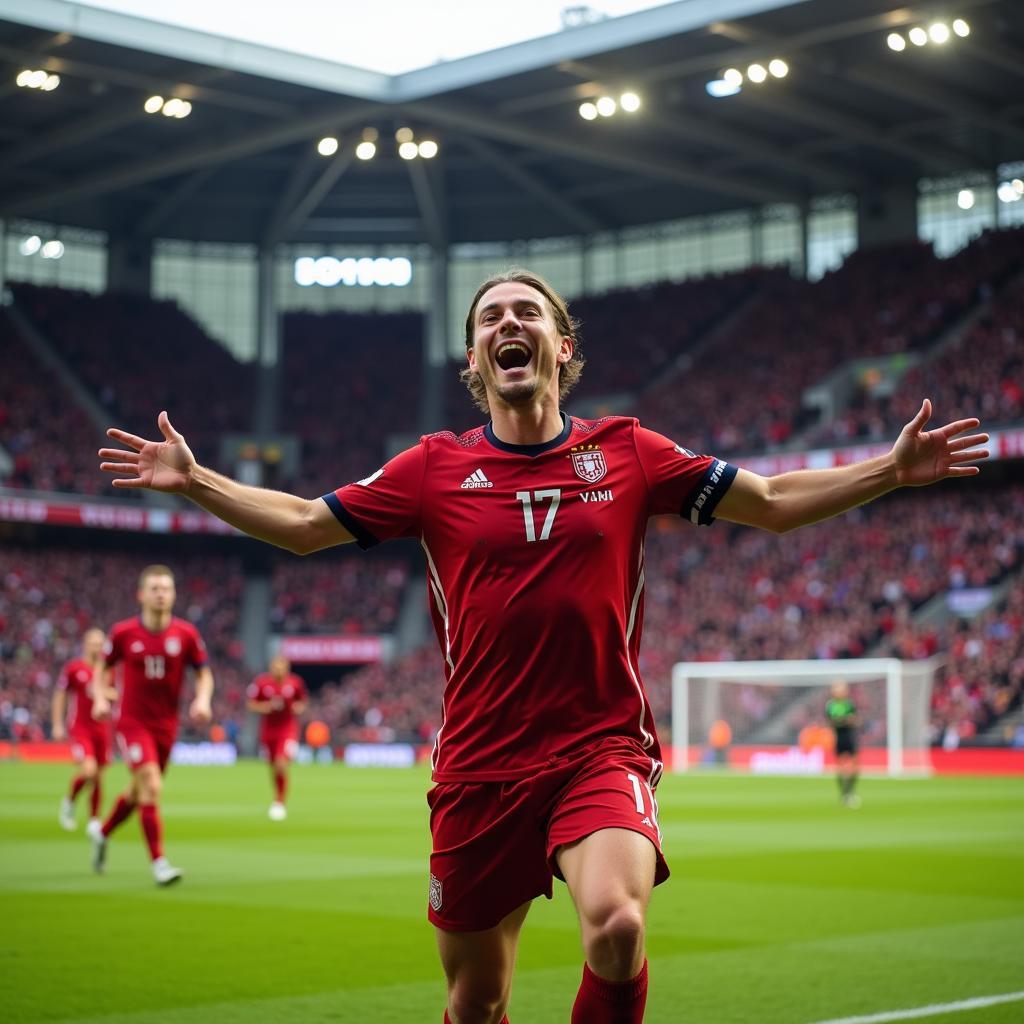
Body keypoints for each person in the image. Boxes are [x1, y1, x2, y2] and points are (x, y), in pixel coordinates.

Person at [97, 268, 988, 1023]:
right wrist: (196, 480)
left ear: (563, 347)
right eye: (491, 317)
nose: (509, 323)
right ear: (476, 360)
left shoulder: (629, 453)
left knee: (618, 926)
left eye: (528, 312)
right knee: (479, 1000)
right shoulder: (432, 468)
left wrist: (890, 470)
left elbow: (773, 500)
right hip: (479, 766)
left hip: (598, 748)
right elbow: (299, 524)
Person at [87, 565, 214, 886]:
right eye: (155, 589)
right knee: (152, 785)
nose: (161, 594)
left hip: (166, 726)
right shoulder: (123, 632)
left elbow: (204, 673)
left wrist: (202, 700)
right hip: (131, 722)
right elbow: (103, 666)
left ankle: (102, 833)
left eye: (166, 589)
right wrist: (101, 698)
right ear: (141, 594)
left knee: (137, 792)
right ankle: (159, 862)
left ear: (173, 595)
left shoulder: (186, 634)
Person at [52, 628, 115, 832]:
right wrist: (57, 724)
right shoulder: (74, 668)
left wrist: (103, 692)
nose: (97, 647)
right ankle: (69, 802)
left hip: (103, 728)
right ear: (85, 645)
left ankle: (94, 820)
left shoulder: (109, 670)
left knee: (99, 776)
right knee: (89, 770)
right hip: (80, 728)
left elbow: (119, 693)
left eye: (100, 643)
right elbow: (60, 695)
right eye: (93, 643)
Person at [247, 653, 308, 820]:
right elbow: (251, 704)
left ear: (286, 668)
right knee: (273, 766)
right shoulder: (262, 683)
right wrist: (267, 707)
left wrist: (297, 708)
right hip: (268, 730)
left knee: (281, 763)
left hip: (287, 729)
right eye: (275, 667)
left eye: (281, 667)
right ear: (271, 667)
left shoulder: (295, 683)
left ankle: (280, 802)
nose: (278, 670)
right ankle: (278, 796)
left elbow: (302, 703)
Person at [826, 680, 861, 808]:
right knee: (841, 767)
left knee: (855, 766)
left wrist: (845, 720)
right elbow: (831, 721)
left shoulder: (849, 704)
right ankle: (844, 793)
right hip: (839, 738)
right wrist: (844, 720)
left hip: (850, 737)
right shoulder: (831, 705)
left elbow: (856, 719)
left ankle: (850, 791)